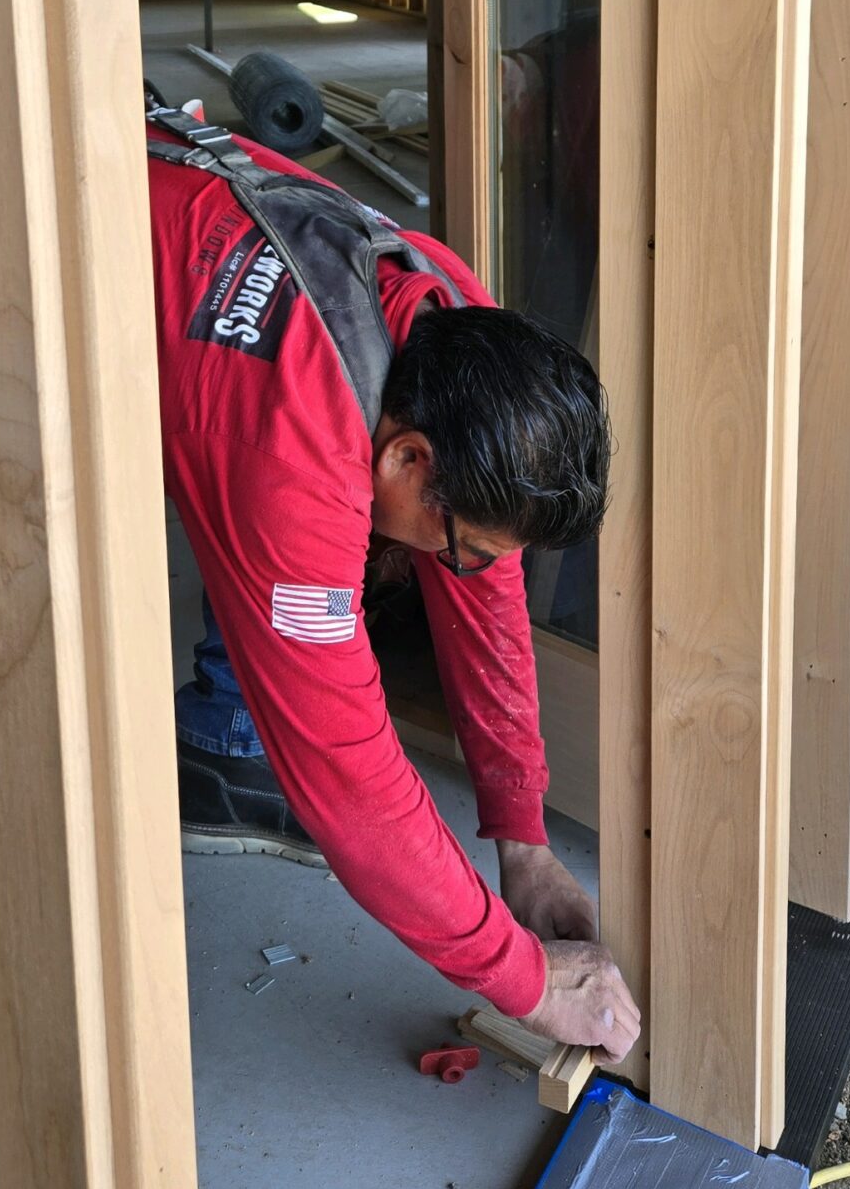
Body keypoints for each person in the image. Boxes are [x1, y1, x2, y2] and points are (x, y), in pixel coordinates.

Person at [147, 97, 640, 1065]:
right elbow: (353, 790)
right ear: (410, 462)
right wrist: (528, 981)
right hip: (22, 259)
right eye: (461, 544)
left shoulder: (443, 297)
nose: (467, 572)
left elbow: (483, 594)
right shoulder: (291, 472)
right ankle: (219, 736)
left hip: (179, 234)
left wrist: (522, 833)